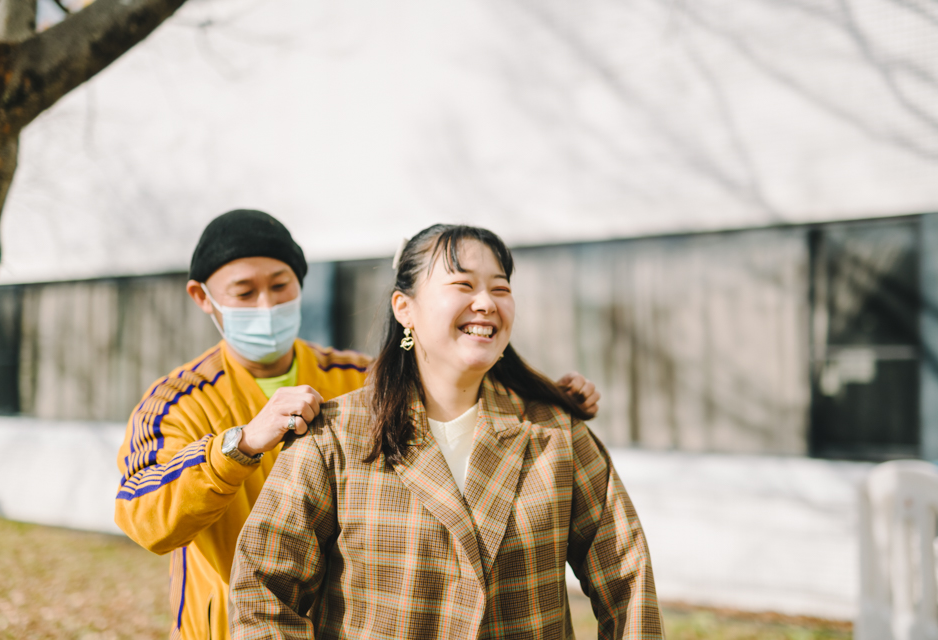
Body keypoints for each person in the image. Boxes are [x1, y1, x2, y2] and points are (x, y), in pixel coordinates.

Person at [115, 211, 602, 640]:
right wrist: (238, 445)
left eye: (280, 285)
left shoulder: (356, 379)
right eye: (244, 292)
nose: (266, 304)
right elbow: (144, 516)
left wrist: (541, 397)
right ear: (203, 297)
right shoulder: (173, 402)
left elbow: (450, 374)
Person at [230, 224, 663, 639]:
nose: (486, 303)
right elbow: (262, 588)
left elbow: (627, 577)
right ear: (405, 309)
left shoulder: (555, 434)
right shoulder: (335, 435)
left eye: (500, 288)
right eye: (463, 285)